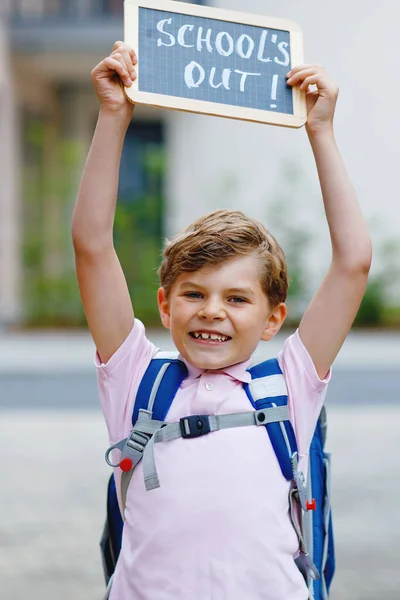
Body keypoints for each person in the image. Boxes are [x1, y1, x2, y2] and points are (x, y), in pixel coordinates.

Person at [72, 41, 371, 600]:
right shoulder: (136, 380)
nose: (212, 310)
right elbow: (92, 246)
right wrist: (114, 116)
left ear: (272, 318)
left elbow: (353, 264)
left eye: (237, 299)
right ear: (164, 305)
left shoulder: (290, 387)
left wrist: (322, 133)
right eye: (193, 294)